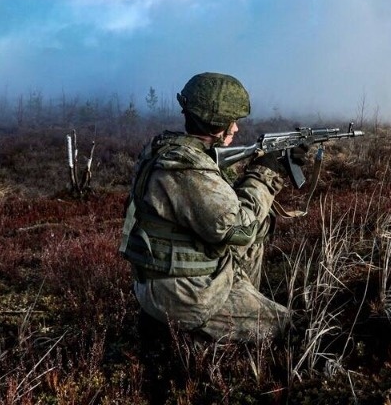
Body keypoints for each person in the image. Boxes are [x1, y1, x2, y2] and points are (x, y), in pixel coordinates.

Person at [119, 72, 293, 342]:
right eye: (231, 122)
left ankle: (197, 327)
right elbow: (241, 229)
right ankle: (193, 337)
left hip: (160, 281)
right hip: (187, 295)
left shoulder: (166, 150)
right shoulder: (186, 168)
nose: (235, 129)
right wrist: (264, 175)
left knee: (258, 235)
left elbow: (219, 211)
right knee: (291, 328)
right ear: (216, 124)